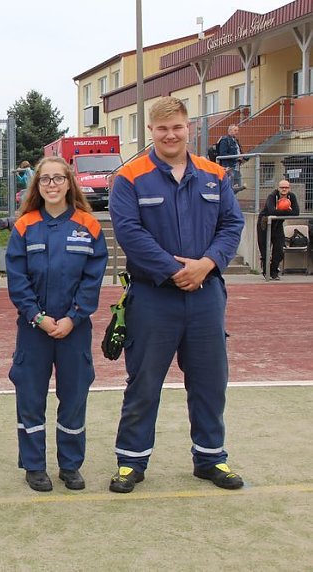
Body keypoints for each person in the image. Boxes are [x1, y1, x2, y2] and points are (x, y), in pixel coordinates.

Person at [108, 96, 245, 493]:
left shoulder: (214, 175)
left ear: (190, 129)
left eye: (178, 127)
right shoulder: (130, 177)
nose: (171, 135)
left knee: (209, 380)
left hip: (206, 294)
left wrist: (207, 264)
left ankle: (211, 457)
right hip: (153, 297)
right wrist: (175, 270)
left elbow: (232, 224)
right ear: (151, 131)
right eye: (163, 128)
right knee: (144, 380)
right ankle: (131, 462)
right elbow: (130, 234)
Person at [5, 157, 108, 492]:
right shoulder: (24, 226)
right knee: (30, 398)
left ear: (69, 183)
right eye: (45, 179)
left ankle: (70, 465)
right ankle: (34, 466)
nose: (51, 185)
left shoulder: (88, 226)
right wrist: (39, 317)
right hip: (34, 330)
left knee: (74, 396)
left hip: (74, 330)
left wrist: (73, 317)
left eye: (57, 178)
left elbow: (93, 279)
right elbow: (17, 280)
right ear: (37, 185)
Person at [257, 180, 300, 280]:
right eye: (282, 187)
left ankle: (274, 271)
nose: (284, 189)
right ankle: (265, 271)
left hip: (278, 225)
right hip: (264, 224)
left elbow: (296, 212)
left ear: (289, 188)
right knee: (264, 251)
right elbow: (272, 211)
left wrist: (280, 212)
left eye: (286, 187)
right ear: (278, 188)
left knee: (279, 250)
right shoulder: (272, 196)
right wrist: (287, 211)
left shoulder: (291, 196)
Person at [216, 124, 246, 193]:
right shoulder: (225, 140)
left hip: (236, 167)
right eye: (235, 130)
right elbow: (223, 154)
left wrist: (244, 157)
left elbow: (239, 152)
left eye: (237, 130)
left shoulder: (235, 141)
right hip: (229, 167)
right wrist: (236, 158)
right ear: (229, 131)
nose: (237, 132)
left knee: (237, 186)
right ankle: (229, 201)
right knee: (229, 187)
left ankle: (231, 200)